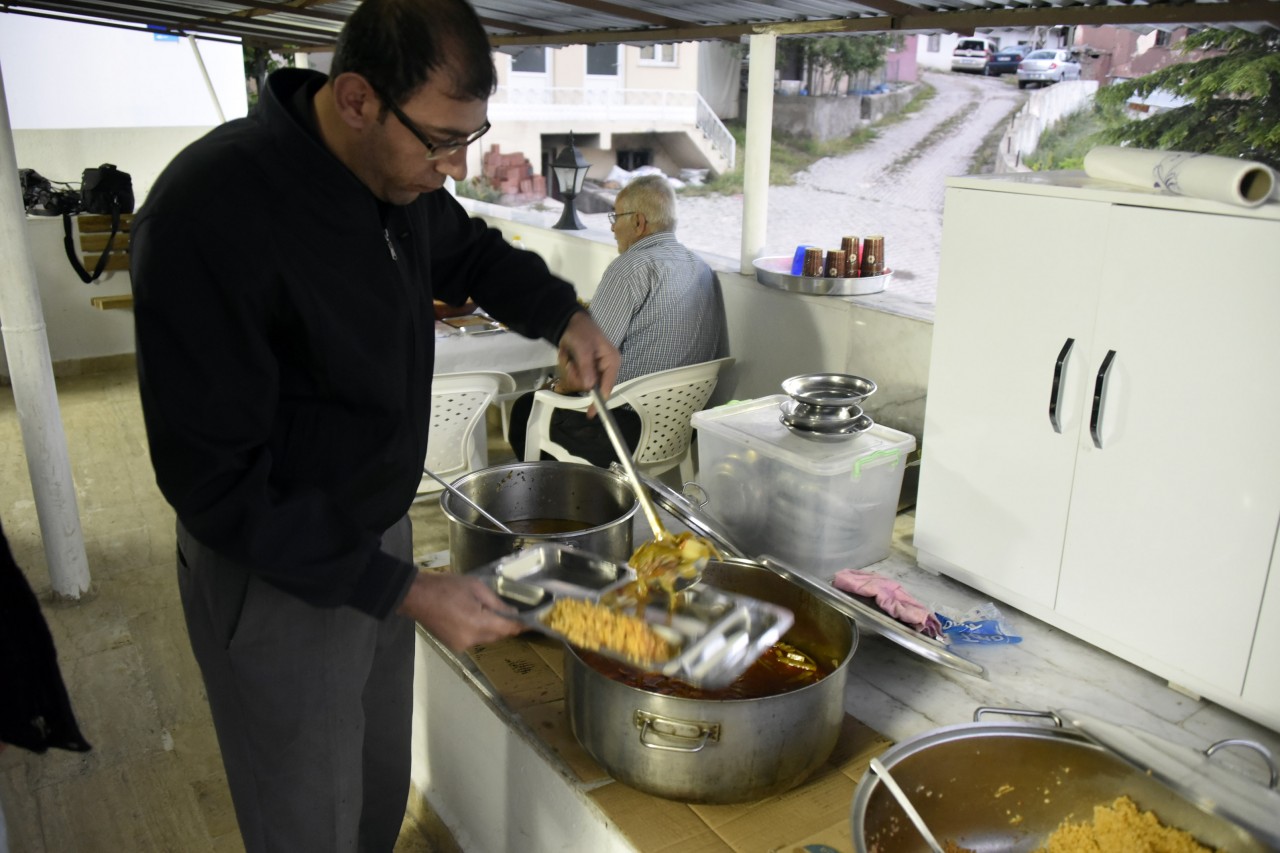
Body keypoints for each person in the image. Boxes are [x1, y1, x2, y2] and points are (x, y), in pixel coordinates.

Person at [128, 0, 619, 849]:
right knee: (306, 821)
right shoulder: (211, 214)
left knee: (375, 793)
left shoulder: (395, 180)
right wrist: (410, 590)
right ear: (356, 98)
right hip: (272, 571)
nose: (453, 167)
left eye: (469, 138)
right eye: (439, 141)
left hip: (379, 538)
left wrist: (564, 316)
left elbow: (469, 248)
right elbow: (214, 480)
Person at [508, 173, 728, 467]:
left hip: (620, 431)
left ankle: (564, 502)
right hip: (680, 428)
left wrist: (556, 387)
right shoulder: (702, 268)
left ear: (638, 222)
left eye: (616, 216)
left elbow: (588, 359)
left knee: (526, 408)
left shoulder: (630, 268)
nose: (611, 227)